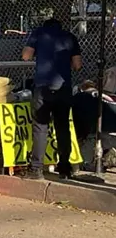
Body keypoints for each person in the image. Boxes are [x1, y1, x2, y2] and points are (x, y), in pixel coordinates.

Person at [22, 18, 83, 180]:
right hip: (63, 88)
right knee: (63, 127)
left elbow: (26, 56)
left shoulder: (38, 34)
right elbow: (77, 65)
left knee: (40, 128)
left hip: (43, 87)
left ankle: (36, 169)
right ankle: (64, 168)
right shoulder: (69, 37)